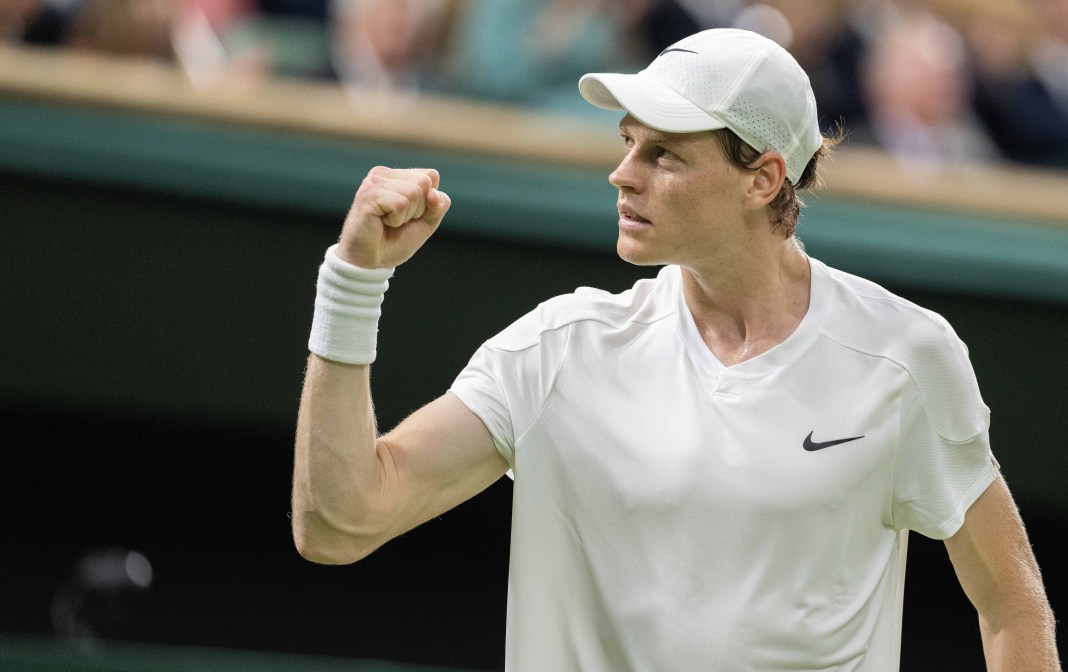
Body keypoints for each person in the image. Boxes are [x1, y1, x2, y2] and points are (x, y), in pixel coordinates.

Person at [291, 28, 1060, 671]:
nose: (622, 175)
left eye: (665, 155)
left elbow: (1013, 606)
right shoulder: (558, 348)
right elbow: (339, 522)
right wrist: (353, 283)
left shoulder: (905, 357)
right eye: (628, 143)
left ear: (762, 179)